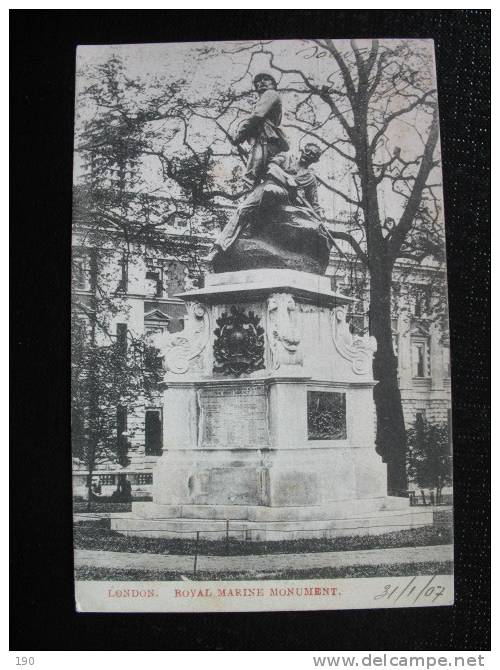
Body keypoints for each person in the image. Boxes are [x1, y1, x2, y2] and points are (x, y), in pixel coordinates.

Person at [232, 72, 289, 186]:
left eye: (266, 79)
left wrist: (240, 134)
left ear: (273, 85)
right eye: (258, 81)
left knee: (250, 177)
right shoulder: (266, 98)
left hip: (265, 140)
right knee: (268, 174)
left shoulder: (270, 94)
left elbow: (257, 115)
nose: (262, 82)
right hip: (269, 142)